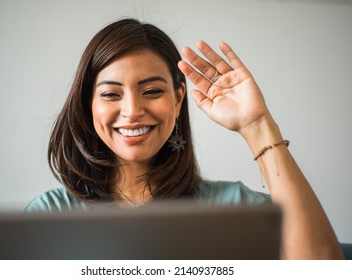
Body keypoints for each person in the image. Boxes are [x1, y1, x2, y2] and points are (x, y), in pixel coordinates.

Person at [26, 18, 344, 259]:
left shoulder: (234, 208)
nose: (132, 110)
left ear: (178, 100)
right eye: (111, 94)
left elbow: (321, 269)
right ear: (88, 105)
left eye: (152, 91)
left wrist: (257, 124)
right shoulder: (51, 213)